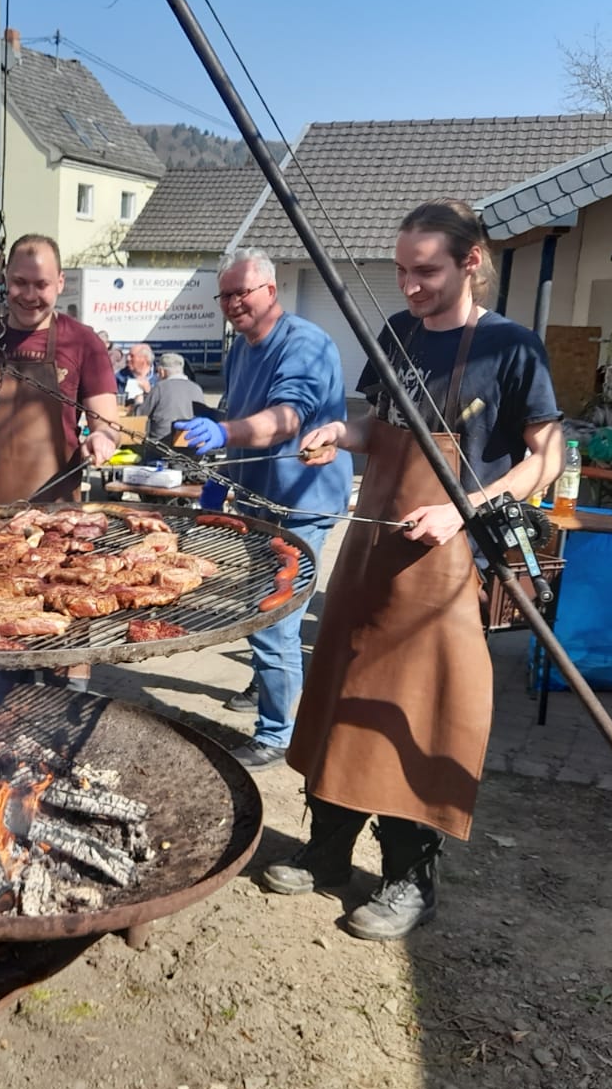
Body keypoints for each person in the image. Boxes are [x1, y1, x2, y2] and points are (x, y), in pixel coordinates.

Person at [267, 199, 564, 941]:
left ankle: (409, 879)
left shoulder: (512, 347)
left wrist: (463, 508)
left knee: (416, 715)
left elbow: (545, 459)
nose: (409, 286)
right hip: (372, 553)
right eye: (401, 270)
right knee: (339, 700)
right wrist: (340, 432)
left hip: (444, 565)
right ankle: (328, 852)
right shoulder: (398, 334)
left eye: (425, 270)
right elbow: (382, 427)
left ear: (471, 261)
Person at [174, 247, 353, 770]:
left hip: (304, 500)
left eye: (241, 293)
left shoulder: (304, 345)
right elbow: (241, 416)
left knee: (274, 616)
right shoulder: (242, 348)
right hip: (258, 495)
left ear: (270, 291)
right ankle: (265, 681)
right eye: (224, 295)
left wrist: (224, 432)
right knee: (260, 604)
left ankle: (278, 734)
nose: (231, 303)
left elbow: (287, 420)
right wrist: (219, 478)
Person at [0, 234, 120, 509]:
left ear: (60, 283)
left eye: (41, 284)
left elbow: (107, 424)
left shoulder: (83, 342)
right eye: (20, 283)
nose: (30, 295)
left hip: (56, 518)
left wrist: (102, 438)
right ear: (6, 280)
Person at [136, 351, 203, 454]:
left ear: (162, 372)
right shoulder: (197, 388)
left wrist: (138, 401)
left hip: (161, 447)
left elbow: (140, 415)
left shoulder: (160, 388)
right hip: (190, 448)